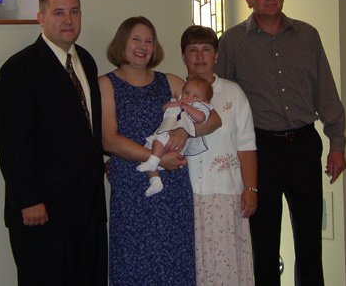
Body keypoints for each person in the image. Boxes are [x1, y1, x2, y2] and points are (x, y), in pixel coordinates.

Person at [215, 0, 346, 286]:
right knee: (263, 242)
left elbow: (326, 91)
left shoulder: (308, 35)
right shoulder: (232, 41)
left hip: (304, 144)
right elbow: (221, 96)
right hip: (261, 151)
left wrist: (337, 144)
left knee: (309, 240)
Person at [0, 0, 107, 285]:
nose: (68, 20)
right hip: (43, 212)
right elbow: (12, 143)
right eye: (58, 13)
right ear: (41, 18)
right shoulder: (20, 68)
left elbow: (86, 129)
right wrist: (28, 199)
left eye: (74, 12)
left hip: (88, 209)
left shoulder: (86, 59)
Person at [99, 16, 220, 286]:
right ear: (122, 42)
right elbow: (109, 140)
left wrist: (183, 131)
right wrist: (158, 159)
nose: (143, 46)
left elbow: (213, 119)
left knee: (174, 267)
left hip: (173, 193)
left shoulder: (172, 82)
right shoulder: (106, 84)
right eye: (136, 39)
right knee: (134, 267)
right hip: (132, 192)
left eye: (149, 41)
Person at [179, 25, 258, 285]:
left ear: (216, 55)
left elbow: (246, 144)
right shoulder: (175, 92)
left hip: (226, 197)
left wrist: (250, 189)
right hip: (184, 197)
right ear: (183, 56)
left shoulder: (233, 93)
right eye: (193, 50)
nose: (200, 56)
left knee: (225, 269)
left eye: (206, 49)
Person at [137, 76, 214, 197]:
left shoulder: (201, 107)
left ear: (205, 101)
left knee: (157, 146)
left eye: (195, 96)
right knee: (148, 153)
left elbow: (201, 118)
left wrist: (187, 108)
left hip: (176, 142)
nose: (189, 98)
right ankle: (155, 181)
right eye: (186, 93)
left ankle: (154, 161)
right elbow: (164, 108)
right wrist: (176, 103)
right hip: (164, 135)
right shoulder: (179, 101)